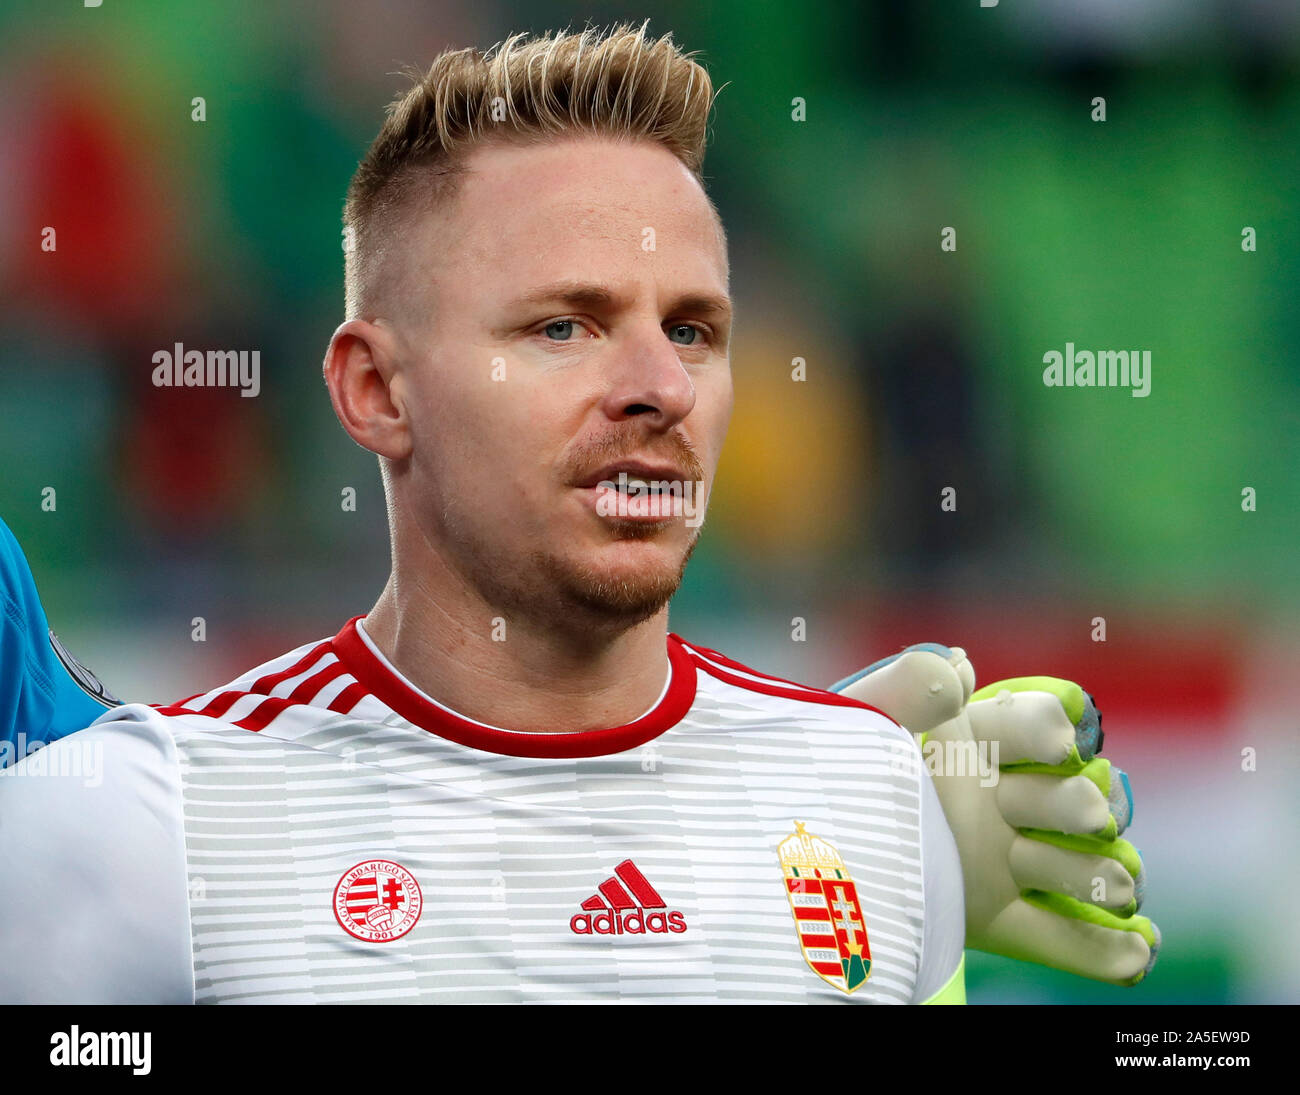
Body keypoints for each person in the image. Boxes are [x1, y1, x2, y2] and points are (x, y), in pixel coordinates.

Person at [0, 23, 1154, 1004]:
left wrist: (858, 840)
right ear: (374, 391)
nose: (660, 386)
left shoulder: (875, 809)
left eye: (693, 330)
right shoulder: (139, 833)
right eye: (564, 326)